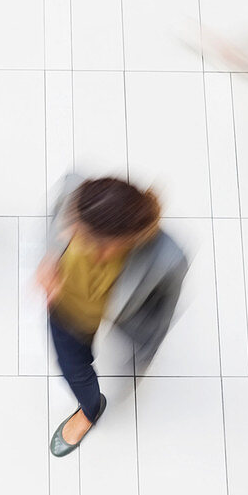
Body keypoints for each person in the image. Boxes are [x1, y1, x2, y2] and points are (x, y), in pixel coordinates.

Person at [36, 175, 188, 457]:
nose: (85, 246)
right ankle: (91, 409)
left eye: (99, 245)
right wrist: (50, 259)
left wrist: (142, 355)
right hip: (66, 309)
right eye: (78, 233)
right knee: (72, 368)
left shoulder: (168, 258)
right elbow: (55, 220)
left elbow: (160, 316)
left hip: (112, 316)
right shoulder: (74, 193)